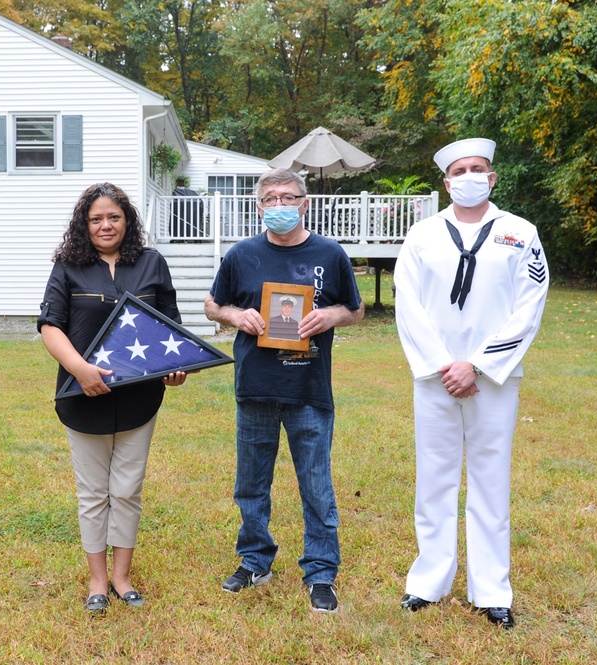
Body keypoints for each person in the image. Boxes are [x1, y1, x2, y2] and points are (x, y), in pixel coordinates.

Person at [393, 138, 549, 629]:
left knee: (490, 479)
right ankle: (428, 582)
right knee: (434, 478)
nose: (468, 175)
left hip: (493, 380)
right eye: (458, 170)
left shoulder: (520, 233)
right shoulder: (422, 236)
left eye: (477, 168)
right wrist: (444, 363)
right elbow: (407, 302)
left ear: (493, 177)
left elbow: (530, 304)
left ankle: (492, 589)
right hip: (435, 375)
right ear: (446, 182)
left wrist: (477, 365)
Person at [204, 168, 364, 613]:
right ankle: (255, 560)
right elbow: (212, 304)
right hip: (255, 384)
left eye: (288, 197)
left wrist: (330, 316)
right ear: (259, 207)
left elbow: (356, 309)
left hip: (309, 386)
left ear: (305, 202)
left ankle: (321, 573)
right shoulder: (241, 255)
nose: (279, 205)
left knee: (316, 485)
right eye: (270, 199)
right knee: (251, 483)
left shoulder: (330, 254)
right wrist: (236, 317)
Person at [38, 182, 187, 614]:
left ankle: (122, 577)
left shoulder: (152, 263)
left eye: (114, 217)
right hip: (82, 396)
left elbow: (170, 329)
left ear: (128, 220)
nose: (106, 225)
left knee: (127, 489)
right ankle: (97, 581)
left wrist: (176, 368)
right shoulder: (67, 267)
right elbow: (50, 325)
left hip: (140, 400)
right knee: (92, 494)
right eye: (96, 218)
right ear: (84, 224)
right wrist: (80, 370)